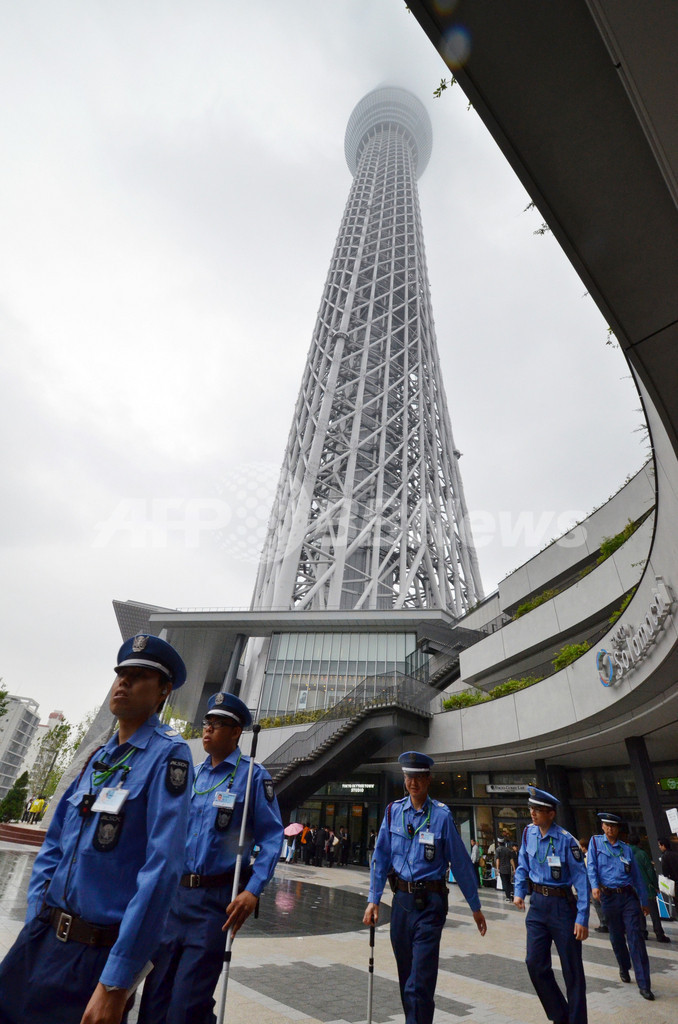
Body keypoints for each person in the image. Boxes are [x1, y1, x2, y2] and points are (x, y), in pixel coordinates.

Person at [0, 633, 193, 1024]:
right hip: (42, 937)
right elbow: (53, 844)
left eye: (139, 676)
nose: (123, 682)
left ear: (163, 692)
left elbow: (162, 868)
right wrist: (37, 915)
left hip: (94, 956)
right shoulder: (97, 757)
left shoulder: (169, 756)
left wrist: (116, 981)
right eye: (121, 673)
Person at [138, 691, 283, 1024]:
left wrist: (253, 889)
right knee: (154, 999)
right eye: (207, 723)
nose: (208, 730)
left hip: (213, 904)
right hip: (173, 900)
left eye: (219, 725)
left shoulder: (253, 777)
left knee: (186, 1005)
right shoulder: (192, 774)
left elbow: (273, 838)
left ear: (236, 733)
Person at [363, 751, 487, 1024]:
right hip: (401, 905)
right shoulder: (393, 812)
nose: (413, 783)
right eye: (409, 777)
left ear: (428, 780)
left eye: (419, 777)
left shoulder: (441, 816)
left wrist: (475, 907)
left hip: (430, 905)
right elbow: (381, 856)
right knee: (407, 979)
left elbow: (461, 863)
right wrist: (373, 899)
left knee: (419, 983)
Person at [513, 786, 589, 1024]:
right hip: (537, 906)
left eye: (538, 809)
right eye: (531, 808)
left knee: (572, 970)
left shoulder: (567, 841)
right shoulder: (528, 833)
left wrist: (582, 917)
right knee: (534, 963)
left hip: (562, 907)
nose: (532, 813)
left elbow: (582, 880)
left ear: (551, 813)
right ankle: (560, 1015)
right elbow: (523, 865)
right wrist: (518, 891)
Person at [587, 812, 653, 1000]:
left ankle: (644, 983)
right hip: (608, 897)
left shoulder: (627, 849)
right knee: (616, 937)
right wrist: (594, 887)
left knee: (636, 937)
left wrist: (644, 900)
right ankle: (624, 966)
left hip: (627, 897)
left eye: (613, 826)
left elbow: (637, 877)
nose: (610, 829)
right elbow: (591, 866)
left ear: (618, 828)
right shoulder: (595, 843)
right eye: (607, 825)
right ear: (602, 826)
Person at [628, 834, 670, 942]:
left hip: (633, 889)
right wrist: (656, 886)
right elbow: (650, 871)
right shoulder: (642, 854)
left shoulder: (626, 854)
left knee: (639, 912)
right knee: (654, 913)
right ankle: (659, 934)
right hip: (647, 888)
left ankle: (643, 932)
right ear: (638, 842)